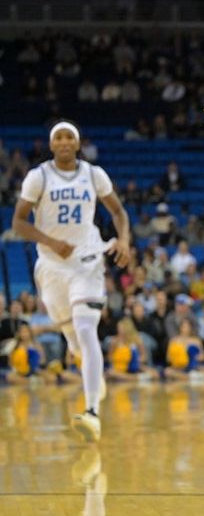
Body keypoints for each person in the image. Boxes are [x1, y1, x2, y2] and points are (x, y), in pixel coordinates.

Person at [12, 120, 131, 442]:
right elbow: (18, 222)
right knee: (73, 338)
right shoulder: (38, 176)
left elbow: (119, 213)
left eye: (70, 137)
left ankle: (91, 410)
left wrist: (123, 240)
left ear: (77, 144)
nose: (64, 142)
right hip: (51, 268)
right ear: (52, 145)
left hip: (87, 261)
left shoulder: (94, 174)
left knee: (84, 328)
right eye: (58, 138)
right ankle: (95, 381)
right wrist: (50, 242)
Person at [106, 318, 158, 383]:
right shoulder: (115, 341)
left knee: (155, 374)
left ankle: (135, 377)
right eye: (118, 328)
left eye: (121, 329)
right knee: (112, 373)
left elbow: (144, 356)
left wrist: (135, 360)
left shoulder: (137, 340)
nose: (119, 331)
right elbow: (109, 357)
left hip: (135, 365)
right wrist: (120, 359)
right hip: (120, 366)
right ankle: (138, 378)